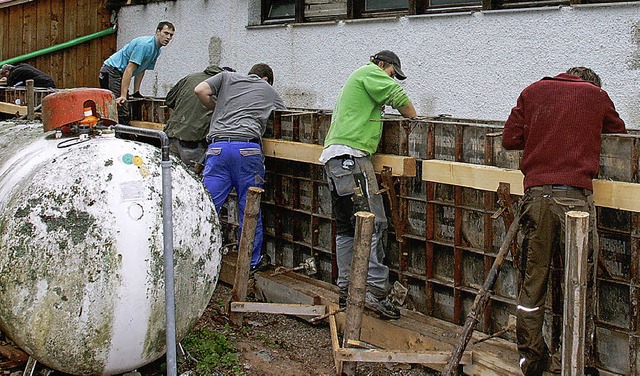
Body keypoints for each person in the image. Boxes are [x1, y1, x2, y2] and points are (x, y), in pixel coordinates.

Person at [502, 67, 627, 376]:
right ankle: (576, 364)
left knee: (534, 283)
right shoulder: (596, 96)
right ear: (592, 84)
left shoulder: (532, 91)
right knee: (579, 283)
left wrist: (543, 138)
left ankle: (532, 361)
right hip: (577, 200)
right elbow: (619, 134)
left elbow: (509, 139)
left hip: (538, 197)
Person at [319, 50, 417, 320]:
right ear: (382, 65)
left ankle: (346, 289)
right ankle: (373, 290)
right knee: (373, 223)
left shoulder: (356, 79)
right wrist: (414, 118)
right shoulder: (369, 72)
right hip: (352, 158)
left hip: (335, 160)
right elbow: (400, 97)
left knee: (348, 227)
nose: (391, 78)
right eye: (391, 73)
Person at [194, 63, 286, 272]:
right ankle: (252, 262)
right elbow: (283, 116)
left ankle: (198, 257)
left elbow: (200, 90)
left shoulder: (226, 78)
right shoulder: (269, 90)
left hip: (217, 149)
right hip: (248, 150)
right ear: (266, 80)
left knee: (206, 206)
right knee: (249, 208)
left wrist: (216, 108)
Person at [99, 21, 175, 124]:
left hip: (120, 74)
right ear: (158, 32)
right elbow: (129, 69)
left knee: (124, 107)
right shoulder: (145, 45)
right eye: (166, 33)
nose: (168, 38)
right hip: (111, 71)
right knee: (121, 109)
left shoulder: (157, 50)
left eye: (171, 35)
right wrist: (123, 95)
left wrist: (136, 92)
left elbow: (141, 69)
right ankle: (117, 135)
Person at [164, 65, 236, 172]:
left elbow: (169, 100)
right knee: (192, 180)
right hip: (193, 140)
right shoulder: (224, 85)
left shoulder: (190, 78)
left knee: (171, 177)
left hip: (171, 136)